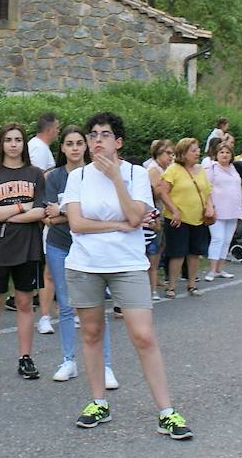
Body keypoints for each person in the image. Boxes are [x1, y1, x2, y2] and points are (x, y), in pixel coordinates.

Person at [63, 112, 191, 439]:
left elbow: (137, 216)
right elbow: (76, 224)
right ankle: (98, 402)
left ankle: (167, 411)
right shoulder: (77, 177)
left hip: (128, 265)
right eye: (92, 135)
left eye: (104, 135)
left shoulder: (136, 174)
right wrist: (117, 225)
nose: (97, 141)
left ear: (118, 142)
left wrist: (116, 179)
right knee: (91, 333)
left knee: (143, 335)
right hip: (85, 265)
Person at [43, 126, 118, 387]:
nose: (74, 148)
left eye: (78, 143)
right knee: (65, 304)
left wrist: (69, 214)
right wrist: (73, 215)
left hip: (90, 246)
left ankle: (106, 365)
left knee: (97, 308)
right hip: (60, 245)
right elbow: (50, 216)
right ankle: (68, 360)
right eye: (69, 143)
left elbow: (91, 215)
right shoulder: (53, 177)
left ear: (86, 146)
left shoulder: (96, 174)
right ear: (62, 148)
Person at [0, 123, 47, 382]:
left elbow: (40, 212)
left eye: (18, 139)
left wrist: (6, 216)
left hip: (28, 249)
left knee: (25, 303)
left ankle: (25, 357)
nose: (13, 144)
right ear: (1, 144)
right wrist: (19, 209)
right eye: (8, 140)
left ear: (24, 144)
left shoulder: (36, 174)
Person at [160, 138, 213, 297]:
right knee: (178, 252)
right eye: (193, 150)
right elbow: (163, 192)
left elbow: (207, 191)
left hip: (198, 218)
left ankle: (192, 284)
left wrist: (209, 206)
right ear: (183, 153)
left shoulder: (201, 170)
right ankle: (171, 286)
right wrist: (174, 210)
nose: (197, 153)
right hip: (178, 218)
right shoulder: (173, 169)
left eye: (197, 149)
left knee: (195, 252)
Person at [26, 113, 59, 335]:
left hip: (49, 209)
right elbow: (36, 181)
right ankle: (43, 310)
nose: (58, 131)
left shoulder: (40, 147)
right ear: (50, 128)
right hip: (43, 210)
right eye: (57, 128)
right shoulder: (38, 148)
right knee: (48, 267)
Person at [204, 141, 242, 278]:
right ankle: (212, 269)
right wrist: (209, 206)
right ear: (216, 154)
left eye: (227, 152)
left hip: (233, 210)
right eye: (221, 152)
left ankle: (220, 269)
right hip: (217, 210)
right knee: (217, 238)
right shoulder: (212, 168)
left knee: (227, 240)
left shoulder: (233, 168)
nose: (225, 155)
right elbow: (206, 188)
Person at [144, 140, 175, 301]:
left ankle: (155, 281)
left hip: (162, 213)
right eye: (168, 153)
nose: (171, 156)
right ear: (158, 154)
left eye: (172, 153)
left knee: (160, 247)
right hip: (155, 214)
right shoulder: (154, 169)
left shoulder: (163, 168)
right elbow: (155, 193)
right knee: (154, 250)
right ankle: (151, 285)